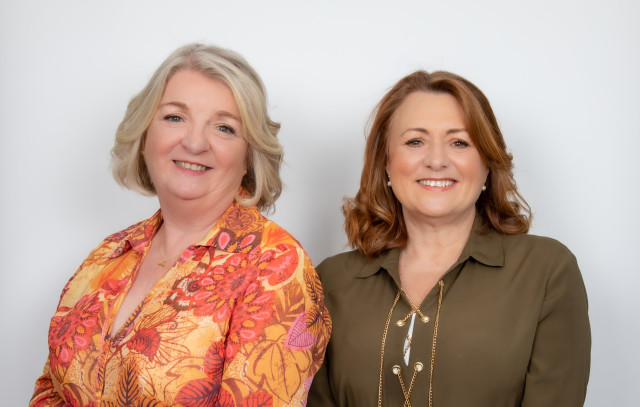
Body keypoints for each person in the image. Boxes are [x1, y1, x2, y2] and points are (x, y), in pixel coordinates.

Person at [30, 43, 331, 407]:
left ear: (249, 158)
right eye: (175, 117)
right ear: (145, 136)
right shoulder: (108, 254)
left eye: (224, 127)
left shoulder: (275, 266)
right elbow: (50, 389)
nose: (194, 142)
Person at [308, 70, 590, 406]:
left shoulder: (546, 272)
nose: (437, 161)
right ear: (385, 161)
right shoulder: (330, 280)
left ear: (487, 162)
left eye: (459, 142)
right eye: (415, 141)